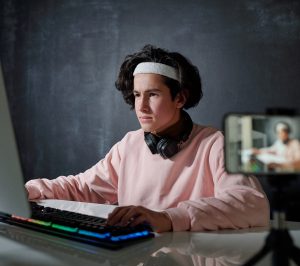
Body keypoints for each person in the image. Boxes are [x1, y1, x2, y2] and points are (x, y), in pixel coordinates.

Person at [26, 45, 269, 232]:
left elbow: (251, 203)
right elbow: (82, 188)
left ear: (180, 98)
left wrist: (168, 218)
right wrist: (26, 190)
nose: (140, 106)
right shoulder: (130, 144)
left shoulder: (216, 143)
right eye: (136, 95)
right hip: (137, 262)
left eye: (152, 94)